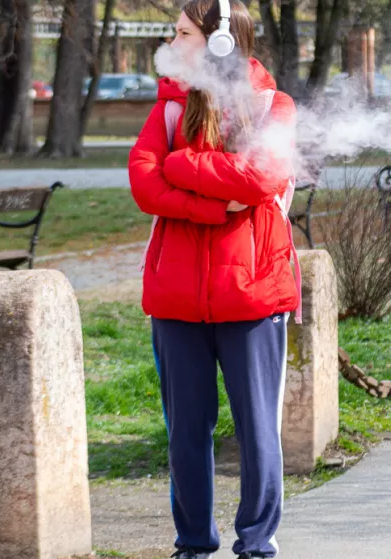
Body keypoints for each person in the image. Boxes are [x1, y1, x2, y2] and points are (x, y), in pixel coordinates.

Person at [127, 1, 299, 557]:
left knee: (256, 431)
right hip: (177, 300)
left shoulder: (275, 106)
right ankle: (193, 544)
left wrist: (182, 167)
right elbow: (144, 183)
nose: (172, 41)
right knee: (185, 436)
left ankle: (257, 543)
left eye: (181, 32)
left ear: (219, 41)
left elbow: (263, 177)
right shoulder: (170, 108)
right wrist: (209, 204)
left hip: (253, 296)